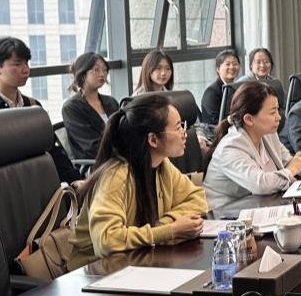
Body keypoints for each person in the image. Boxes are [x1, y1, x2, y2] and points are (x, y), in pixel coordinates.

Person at [66, 93, 207, 269]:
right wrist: (170, 230)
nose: (184, 133)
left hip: (135, 263)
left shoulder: (161, 164)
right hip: (95, 272)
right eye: (178, 127)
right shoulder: (116, 176)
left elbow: (198, 198)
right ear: (153, 139)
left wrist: (164, 224)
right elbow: (107, 241)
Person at [0, 35, 79, 185]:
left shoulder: (33, 107)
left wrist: (75, 179)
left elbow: (52, 149)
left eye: (26, 63)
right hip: (6, 191)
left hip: (39, 187)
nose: (26, 70)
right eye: (17, 64)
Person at [202, 81, 301, 216]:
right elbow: (261, 184)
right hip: (225, 216)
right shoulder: (230, 147)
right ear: (249, 119)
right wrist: (292, 169)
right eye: (272, 112)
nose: (279, 117)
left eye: (278, 109)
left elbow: (287, 162)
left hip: (257, 207)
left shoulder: (268, 134)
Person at [60, 52, 120, 162]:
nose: (102, 74)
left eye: (105, 70)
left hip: (118, 158)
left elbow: (124, 131)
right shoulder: (71, 107)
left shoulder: (111, 102)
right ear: (82, 74)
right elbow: (91, 147)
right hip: (95, 164)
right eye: (96, 70)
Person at [199, 48, 241, 125]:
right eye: (227, 64)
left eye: (235, 64)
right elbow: (214, 121)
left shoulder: (238, 87)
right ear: (218, 69)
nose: (232, 67)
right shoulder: (211, 92)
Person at [246, 47, 286, 116]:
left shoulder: (275, 82)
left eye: (266, 62)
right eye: (258, 62)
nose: (262, 65)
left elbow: (284, 103)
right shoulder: (244, 83)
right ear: (251, 65)